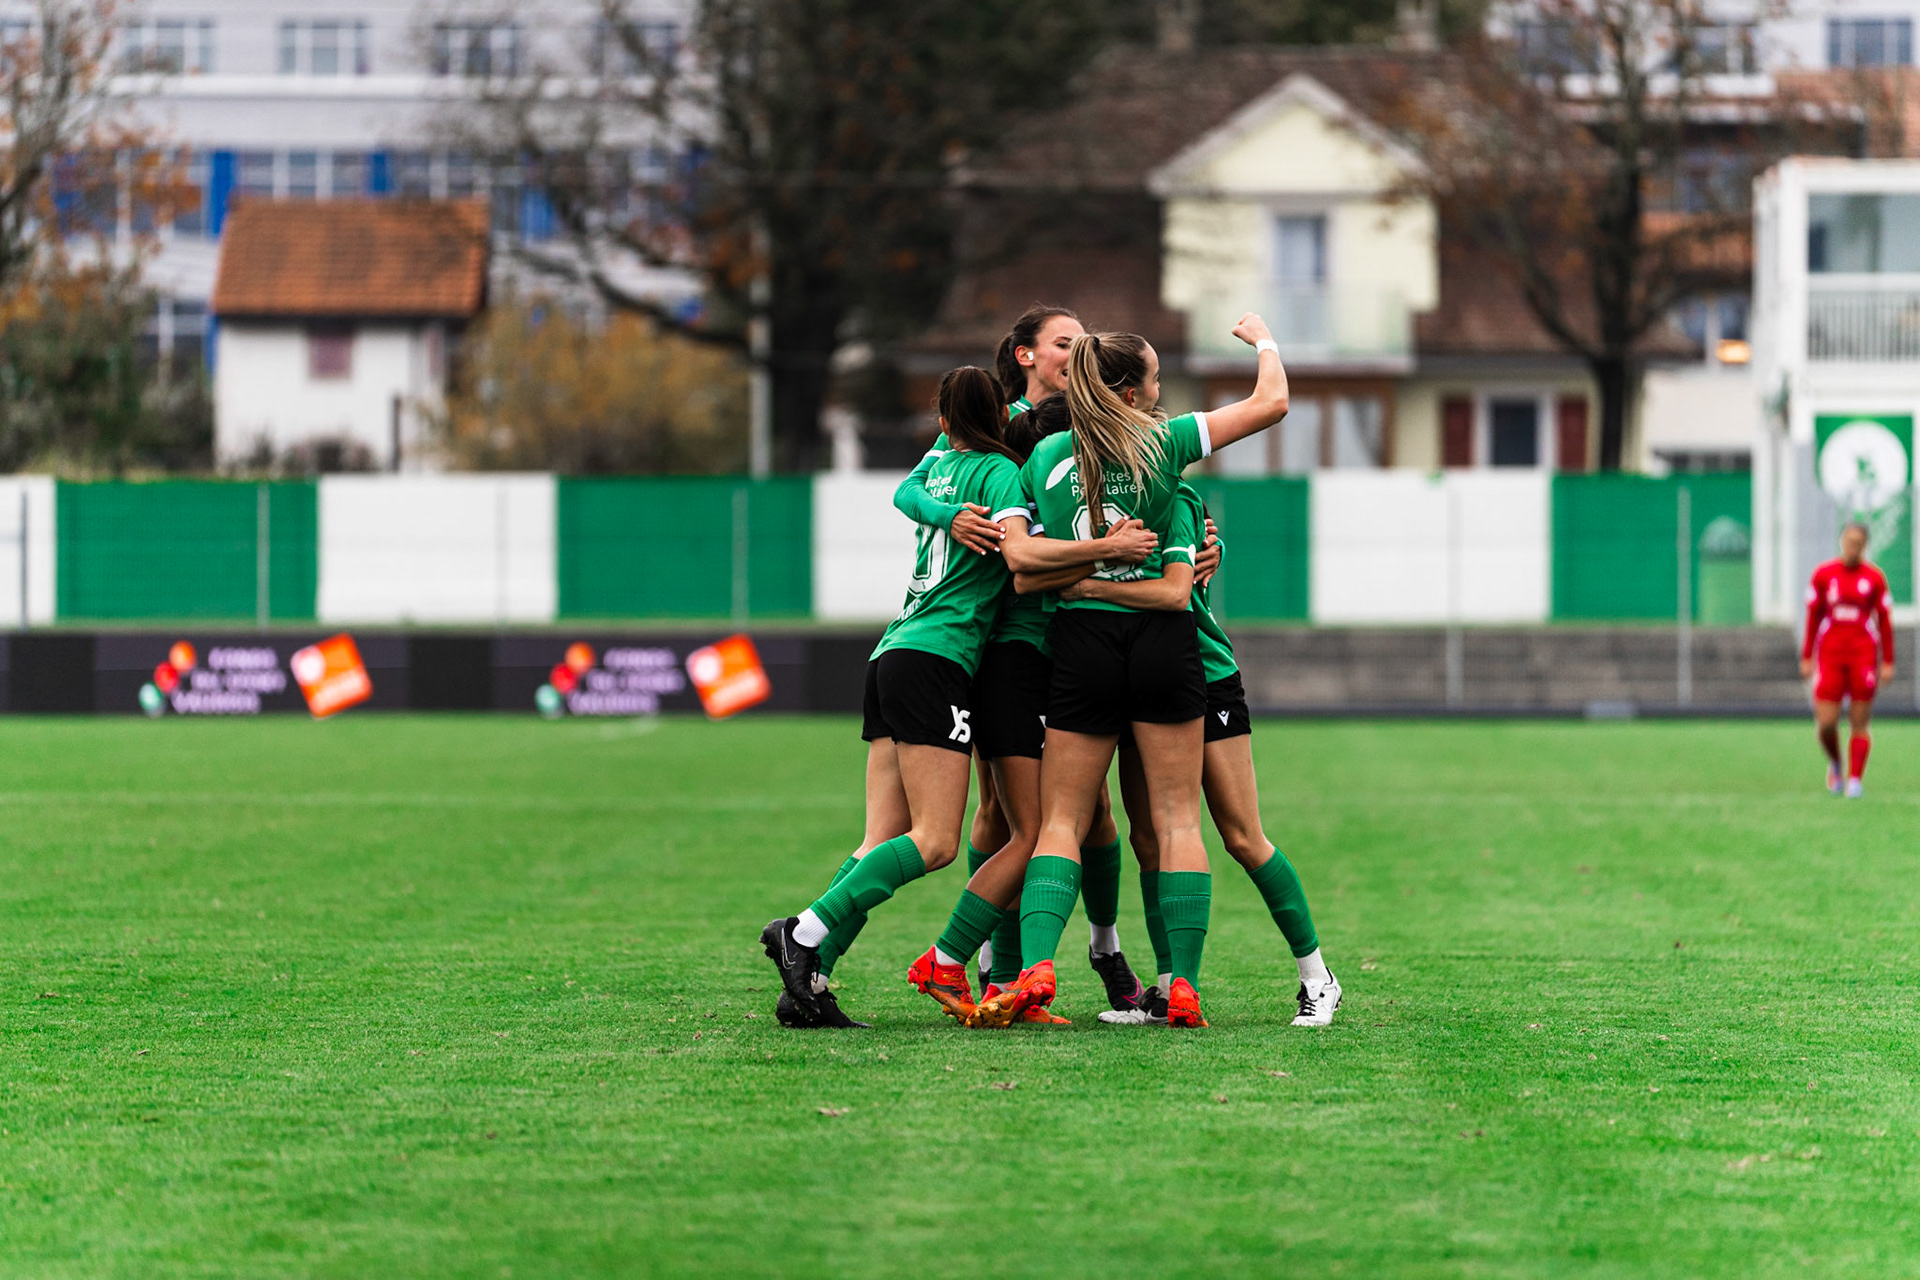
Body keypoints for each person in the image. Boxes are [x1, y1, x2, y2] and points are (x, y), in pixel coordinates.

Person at [977, 315, 1291, 1029]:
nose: (1160, 392)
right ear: (1132, 388)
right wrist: (1264, 341)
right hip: (1162, 642)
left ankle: (1034, 970)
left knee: (1060, 820)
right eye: (1154, 380)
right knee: (1177, 820)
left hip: (1080, 644)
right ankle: (1180, 987)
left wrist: (1079, 576)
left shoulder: (1047, 454)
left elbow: (1022, 563)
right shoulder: (1164, 441)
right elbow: (1271, 402)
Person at [895, 309, 1148, 1018]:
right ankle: (996, 967)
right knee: (1000, 814)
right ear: (1026, 355)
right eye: (1065, 343)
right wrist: (948, 517)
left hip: (1084, 633)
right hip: (1008, 638)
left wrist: (1198, 542)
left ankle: (1103, 946)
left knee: (1089, 811)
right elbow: (912, 487)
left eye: (1084, 342)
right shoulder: (996, 422)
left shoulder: (1097, 423)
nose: (1078, 352)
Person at [759, 367, 1030, 1025]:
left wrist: (945, 513)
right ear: (1001, 420)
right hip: (937, 659)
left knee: (877, 837)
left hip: (891, 652)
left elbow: (906, 492)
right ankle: (803, 933)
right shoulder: (1002, 477)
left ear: (941, 424)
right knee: (935, 841)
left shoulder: (937, 470)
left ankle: (810, 985)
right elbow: (1023, 556)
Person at [1083, 482, 1341, 1027]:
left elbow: (1183, 575)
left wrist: (1090, 586)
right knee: (1149, 839)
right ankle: (1164, 988)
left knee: (1242, 836)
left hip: (1206, 673)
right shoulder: (1086, 499)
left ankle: (1318, 977)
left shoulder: (1171, 493)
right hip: (1140, 682)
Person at [1801, 521, 1894, 798]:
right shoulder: (1823, 575)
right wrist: (1807, 655)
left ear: (1865, 545)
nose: (1853, 546)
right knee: (1826, 723)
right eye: (1849, 540)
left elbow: (1885, 621)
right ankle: (1835, 763)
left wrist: (1887, 661)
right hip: (1830, 654)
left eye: (1858, 542)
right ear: (1841, 540)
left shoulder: (1874, 578)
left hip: (1863, 654)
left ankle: (1855, 779)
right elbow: (1813, 616)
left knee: (1859, 720)